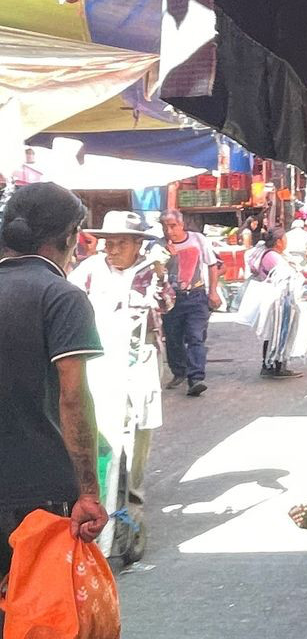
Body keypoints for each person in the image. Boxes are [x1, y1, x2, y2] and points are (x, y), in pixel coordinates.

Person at [0, 184, 109, 628]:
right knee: (39, 618)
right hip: (37, 493)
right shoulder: (60, 296)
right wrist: (88, 491)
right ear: (69, 237)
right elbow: (73, 398)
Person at [69, 212, 173, 506]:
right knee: (101, 425)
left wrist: (161, 279)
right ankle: (99, 493)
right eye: (109, 243)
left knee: (140, 427)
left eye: (121, 243)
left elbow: (167, 304)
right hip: (101, 358)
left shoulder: (149, 271)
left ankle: (133, 501)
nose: (112, 250)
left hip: (140, 357)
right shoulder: (90, 270)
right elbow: (70, 301)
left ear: (138, 244)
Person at [160, 210, 222, 397]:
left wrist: (213, 291)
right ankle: (179, 371)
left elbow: (212, 265)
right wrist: (167, 256)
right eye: (165, 227)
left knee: (195, 336)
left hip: (196, 295)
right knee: (173, 339)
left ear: (181, 225)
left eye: (173, 226)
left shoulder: (198, 239)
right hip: (170, 299)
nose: (169, 231)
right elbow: (155, 271)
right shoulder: (158, 245)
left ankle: (195, 378)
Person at [244, 228, 306, 379]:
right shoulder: (272, 256)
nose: (286, 242)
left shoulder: (267, 253)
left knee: (272, 333)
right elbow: (286, 276)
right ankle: (276, 367)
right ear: (278, 241)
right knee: (280, 333)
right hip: (279, 300)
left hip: (274, 299)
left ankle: (270, 365)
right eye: (284, 239)